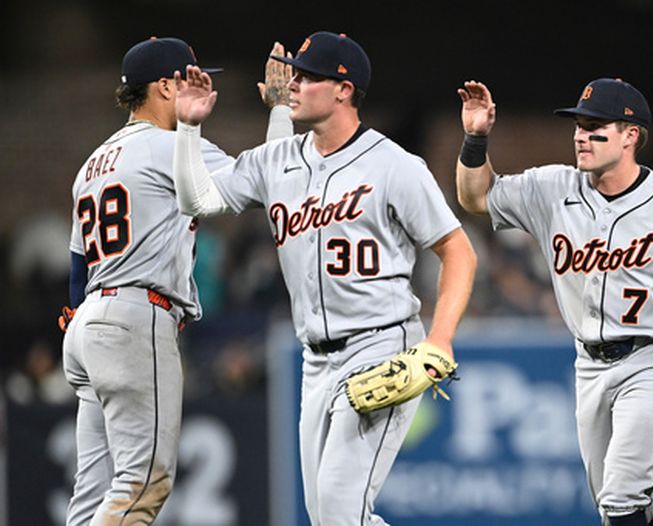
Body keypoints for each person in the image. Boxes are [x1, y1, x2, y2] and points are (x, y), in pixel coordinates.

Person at [172, 31, 477, 526]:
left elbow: (458, 251)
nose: (293, 83)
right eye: (294, 73)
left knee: (339, 511)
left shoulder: (394, 164)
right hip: (315, 360)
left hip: (382, 344)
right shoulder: (277, 160)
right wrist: (187, 128)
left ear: (344, 89)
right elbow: (200, 200)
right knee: (325, 515)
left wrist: (441, 338)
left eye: (308, 76)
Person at [455, 78, 653, 526]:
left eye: (596, 126)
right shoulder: (552, 188)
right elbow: (475, 197)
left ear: (630, 135)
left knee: (621, 499)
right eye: (579, 125)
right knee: (618, 511)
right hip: (589, 365)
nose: (582, 135)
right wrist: (475, 138)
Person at [61, 36, 293, 525]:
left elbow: (77, 268)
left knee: (92, 497)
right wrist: (279, 111)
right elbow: (272, 183)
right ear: (165, 87)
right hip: (135, 317)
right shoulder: (168, 147)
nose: (196, 89)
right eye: (186, 79)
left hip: (89, 325)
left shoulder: (91, 164)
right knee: (143, 484)